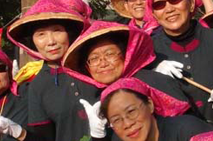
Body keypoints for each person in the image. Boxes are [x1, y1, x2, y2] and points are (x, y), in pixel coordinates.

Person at [6, 0, 91, 141]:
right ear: (32, 41)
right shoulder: (38, 85)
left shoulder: (93, 66)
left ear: (69, 33)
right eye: (41, 34)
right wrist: (18, 132)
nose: (51, 41)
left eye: (57, 31)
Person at [147, 0, 213, 128]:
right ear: (154, 14)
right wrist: (152, 72)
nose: (169, 9)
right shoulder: (149, 51)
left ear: (192, 2)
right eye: (159, 5)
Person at [62, 20, 193, 111]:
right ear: (87, 67)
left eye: (110, 54)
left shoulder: (154, 82)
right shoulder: (91, 96)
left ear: (126, 56)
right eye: (94, 59)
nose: (103, 63)